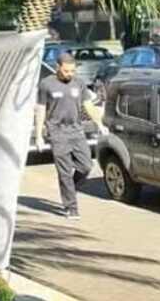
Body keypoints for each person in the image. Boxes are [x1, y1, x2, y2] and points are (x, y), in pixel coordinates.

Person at [34, 51, 107, 219]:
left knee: (86, 166)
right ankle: (71, 207)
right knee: (65, 171)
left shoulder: (79, 84)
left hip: (76, 131)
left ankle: (70, 188)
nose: (70, 74)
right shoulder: (46, 84)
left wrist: (100, 124)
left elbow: (88, 106)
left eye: (73, 71)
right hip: (57, 132)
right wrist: (39, 135)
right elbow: (40, 109)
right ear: (57, 67)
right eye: (66, 71)